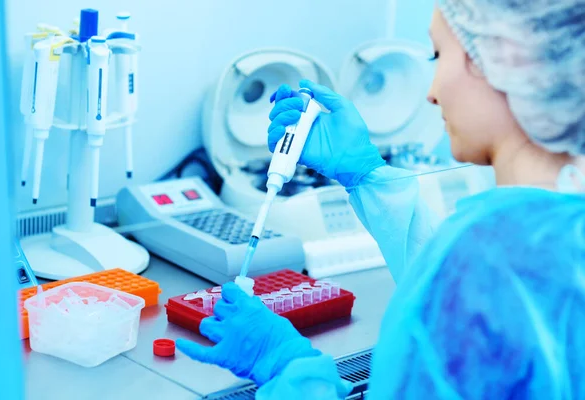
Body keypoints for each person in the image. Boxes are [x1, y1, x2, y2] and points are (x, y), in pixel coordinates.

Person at [177, 1, 585, 398]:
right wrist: (365, 172)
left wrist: (289, 368)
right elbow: (431, 264)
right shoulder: (552, 235)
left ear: (508, 60)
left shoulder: (484, 261)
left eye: (439, 56)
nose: (432, 92)